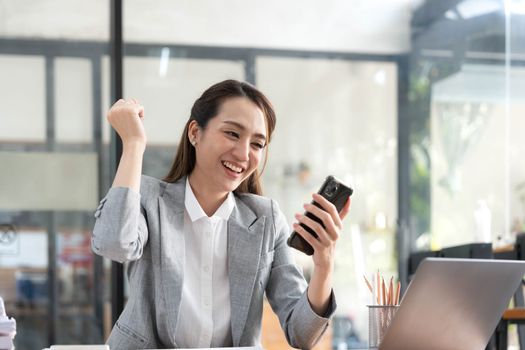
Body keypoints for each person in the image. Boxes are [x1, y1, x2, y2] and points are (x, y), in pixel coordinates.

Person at [92, 79, 351, 349]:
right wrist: (133, 144)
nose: (243, 153)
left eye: (257, 144)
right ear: (195, 132)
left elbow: (302, 334)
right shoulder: (149, 199)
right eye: (232, 134)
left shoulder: (267, 220)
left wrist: (324, 263)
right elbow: (113, 243)